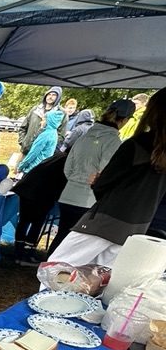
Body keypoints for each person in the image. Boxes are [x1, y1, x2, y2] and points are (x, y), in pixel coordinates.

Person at [48, 89, 166, 268]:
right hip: (138, 223)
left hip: (106, 216)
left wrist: (98, 181)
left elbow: (103, 181)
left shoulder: (134, 144)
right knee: (99, 275)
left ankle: (50, 297)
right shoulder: (139, 145)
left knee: (58, 266)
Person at [50, 99, 135, 253]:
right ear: (124, 120)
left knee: (62, 235)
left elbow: (68, 168)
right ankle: (57, 272)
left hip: (68, 194)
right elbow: (105, 173)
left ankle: (47, 268)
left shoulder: (84, 137)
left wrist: (76, 180)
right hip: (89, 199)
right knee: (75, 244)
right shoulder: (113, 141)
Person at [17, 86, 65, 155]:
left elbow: (61, 135)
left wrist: (47, 147)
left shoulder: (60, 113)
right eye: (49, 94)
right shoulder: (35, 109)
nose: (50, 97)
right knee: (20, 165)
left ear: (58, 97)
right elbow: (23, 127)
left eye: (54, 95)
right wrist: (23, 142)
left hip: (42, 154)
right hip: (26, 150)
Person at [18, 108, 63, 174]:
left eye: (44, 120)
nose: (41, 122)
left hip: (33, 168)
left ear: (49, 121)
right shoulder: (54, 132)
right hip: (43, 167)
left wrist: (21, 166)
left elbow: (33, 153)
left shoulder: (45, 135)